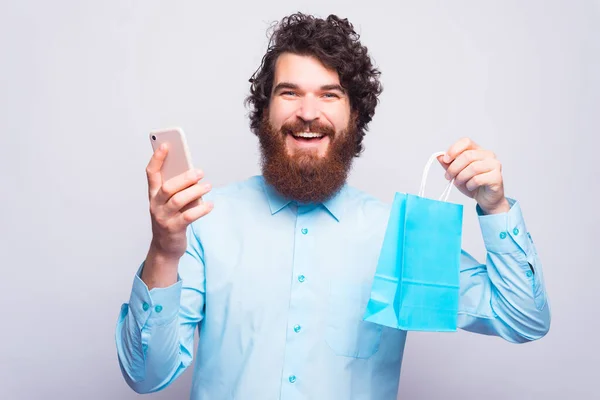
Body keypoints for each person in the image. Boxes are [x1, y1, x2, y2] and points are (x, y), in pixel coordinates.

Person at [115, 12, 550, 399]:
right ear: (264, 111)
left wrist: (495, 207)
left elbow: (523, 319)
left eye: (329, 94)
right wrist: (164, 251)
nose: (308, 112)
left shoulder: (396, 236)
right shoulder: (203, 223)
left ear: (354, 114)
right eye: (289, 93)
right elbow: (145, 375)